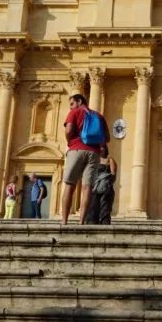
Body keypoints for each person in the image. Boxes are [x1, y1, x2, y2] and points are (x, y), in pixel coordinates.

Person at [59, 93, 108, 225]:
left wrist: (70, 142)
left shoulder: (75, 113)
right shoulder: (99, 116)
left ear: (79, 101)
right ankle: (81, 222)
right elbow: (106, 138)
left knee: (70, 185)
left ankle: (64, 221)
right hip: (94, 153)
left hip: (76, 149)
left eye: (72, 104)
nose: (70, 107)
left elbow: (69, 130)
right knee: (87, 187)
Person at [85, 147, 117, 225]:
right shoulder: (94, 158)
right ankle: (92, 221)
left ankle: (104, 222)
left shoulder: (110, 159)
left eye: (103, 147)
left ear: (106, 149)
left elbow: (113, 173)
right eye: (100, 147)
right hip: (95, 185)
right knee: (93, 204)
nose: (101, 149)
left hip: (105, 185)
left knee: (105, 204)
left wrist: (104, 178)